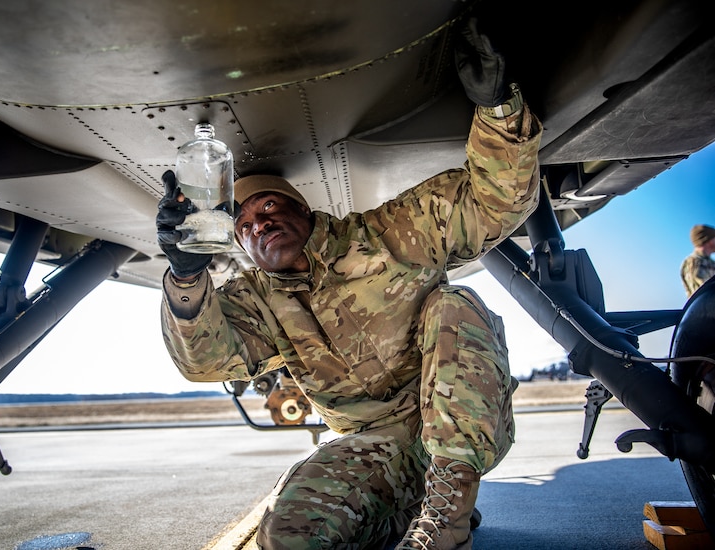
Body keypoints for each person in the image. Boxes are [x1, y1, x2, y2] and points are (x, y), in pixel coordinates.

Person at [156, 19, 542, 550]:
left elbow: (497, 203)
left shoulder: (392, 234)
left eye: (269, 207)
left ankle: (448, 516)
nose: (259, 225)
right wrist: (185, 273)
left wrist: (498, 109)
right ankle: (403, 510)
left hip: (450, 416)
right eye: (244, 225)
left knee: (455, 305)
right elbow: (204, 362)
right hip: (372, 445)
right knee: (289, 535)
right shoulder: (259, 301)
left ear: (302, 208)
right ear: (240, 245)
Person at [680, 224, 715, 297]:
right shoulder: (693, 262)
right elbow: (704, 292)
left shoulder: (710, 262)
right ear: (707, 239)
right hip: (705, 307)